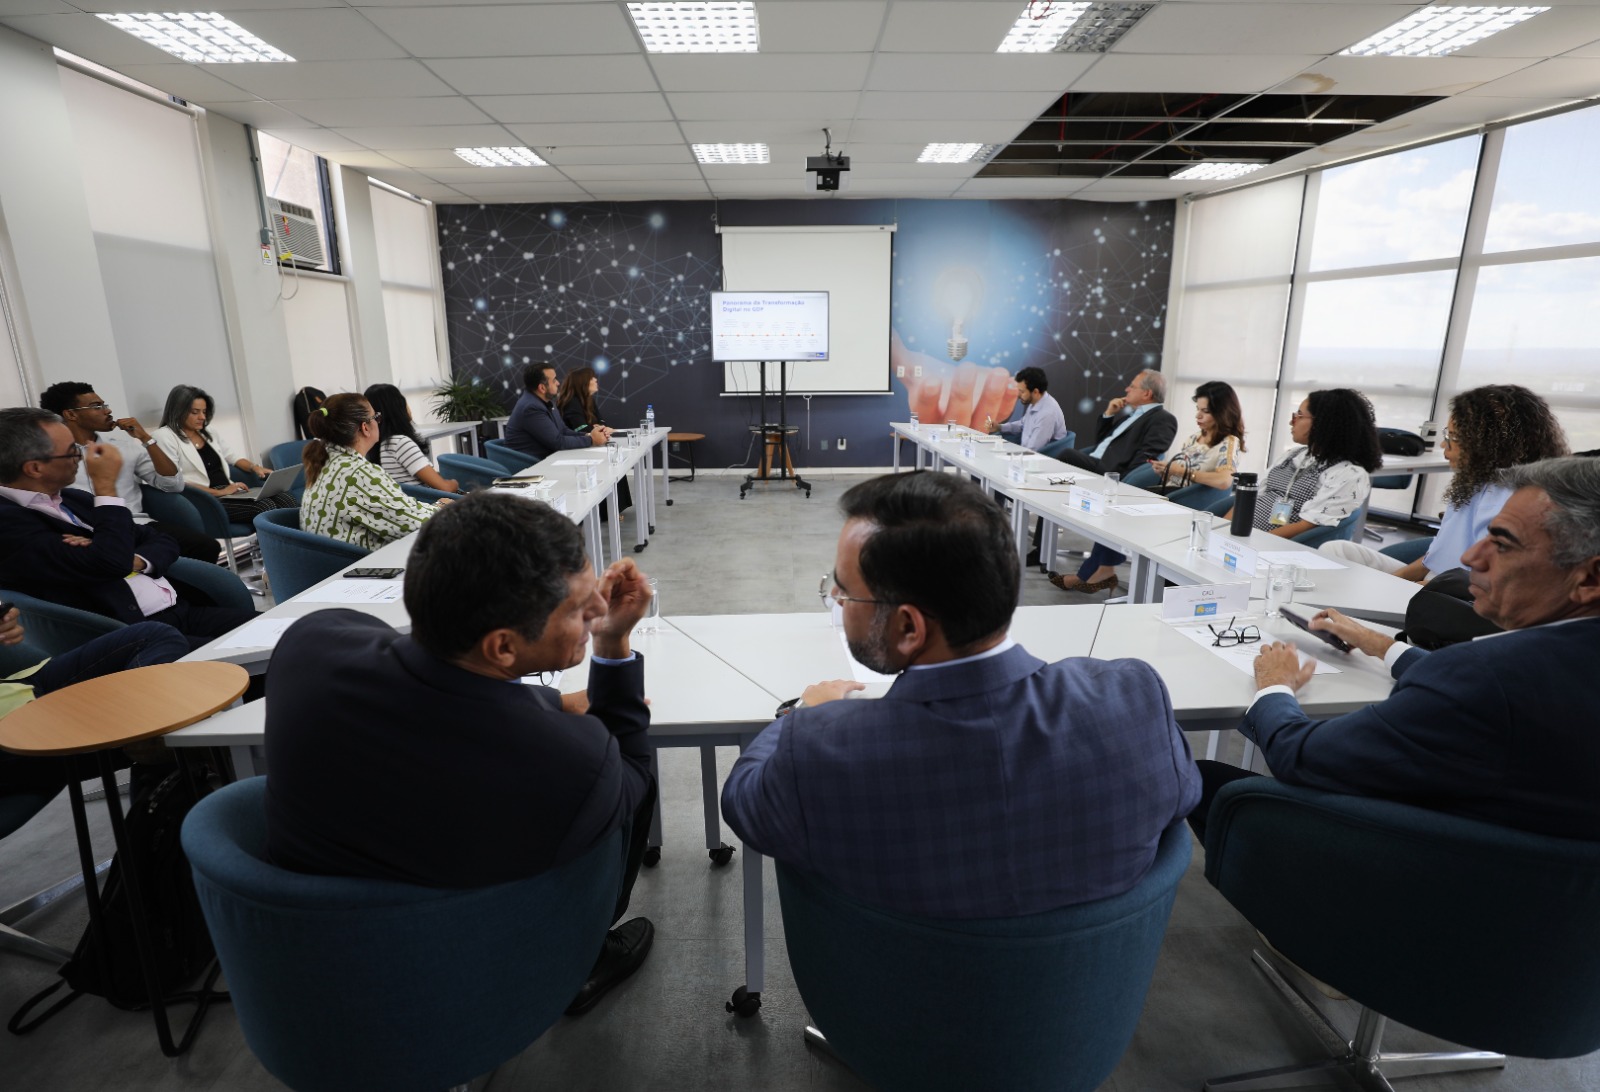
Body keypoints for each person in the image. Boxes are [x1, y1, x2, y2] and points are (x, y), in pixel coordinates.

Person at [720, 471, 1200, 918]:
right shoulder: (1135, 701)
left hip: (881, 996)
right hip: (1092, 997)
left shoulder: (820, 749)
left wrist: (799, 715)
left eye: (844, 593)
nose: (839, 603)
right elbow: (1182, 800)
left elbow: (744, 802)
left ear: (908, 627)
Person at [264, 491, 658, 1015]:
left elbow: (416, 672)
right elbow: (630, 769)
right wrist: (611, 648)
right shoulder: (569, 765)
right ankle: (587, 956)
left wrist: (550, 699)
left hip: (312, 973)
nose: (600, 609)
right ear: (503, 647)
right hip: (466, 972)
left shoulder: (309, 643)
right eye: (578, 608)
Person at [1191, 456, 1600, 843]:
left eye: (1503, 543)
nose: (1470, 556)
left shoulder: (1478, 676)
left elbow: (1302, 756)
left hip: (1407, 862)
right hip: (1554, 894)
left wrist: (1274, 688)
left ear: (1589, 578)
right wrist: (1385, 647)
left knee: (1201, 776)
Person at [0, 408, 255, 650]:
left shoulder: (73, 499)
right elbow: (109, 561)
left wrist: (134, 559)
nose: (81, 458)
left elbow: (158, 538)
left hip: (181, 611)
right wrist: (105, 487)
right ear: (34, 468)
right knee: (269, 659)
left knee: (286, 632)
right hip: (134, 637)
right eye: (71, 453)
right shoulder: (9, 524)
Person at [1320, 384, 1567, 580]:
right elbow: (1435, 556)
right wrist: (1395, 581)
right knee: (1338, 551)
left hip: (1457, 597)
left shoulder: (1511, 500)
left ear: (1490, 444)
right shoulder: (1475, 482)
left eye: (1453, 437)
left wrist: (1416, 588)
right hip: (1432, 582)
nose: (1443, 445)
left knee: (1340, 567)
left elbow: (1480, 579)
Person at [1051, 380, 1246, 595]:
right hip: (1169, 494)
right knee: (1115, 509)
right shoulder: (1194, 437)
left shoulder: (1229, 442)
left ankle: (1096, 573)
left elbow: (1224, 481)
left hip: (1186, 503)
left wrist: (1181, 472)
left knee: (1118, 511)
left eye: (1206, 411)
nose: (1198, 416)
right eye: (1197, 410)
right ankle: (1101, 570)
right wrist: (1167, 470)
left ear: (1222, 412)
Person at [0, 608, 188, 797]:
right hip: (9, 738)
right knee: (169, 721)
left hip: (17, 689)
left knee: (153, 636)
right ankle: (153, 736)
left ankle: (148, 730)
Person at [39, 381, 221, 563]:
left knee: (205, 546)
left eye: (105, 405)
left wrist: (146, 438)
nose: (107, 411)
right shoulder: (53, 458)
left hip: (135, 525)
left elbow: (173, 485)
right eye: (97, 407)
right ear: (71, 414)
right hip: (84, 529)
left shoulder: (125, 449)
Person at [1227, 388, 1382, 539]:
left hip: (1272, 549)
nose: (1291, 421)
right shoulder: (1293, 455)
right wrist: (1220, 529)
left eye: (1299, 416)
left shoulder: (1348, 474)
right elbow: (1250, 499)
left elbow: (1306, 526)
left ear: (1323, 423)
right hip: (1240, 537)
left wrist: (1251, 543)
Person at [300, 393, 446, 551]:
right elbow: (417, 524)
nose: (378, 422)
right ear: (365, 427)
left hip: (334, 565)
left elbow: (400, 511)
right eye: (375, 417)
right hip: (366, 568)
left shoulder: (324, 463)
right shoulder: (358, 474)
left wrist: (433, 507)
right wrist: (440, 507)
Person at [153, 384, 298, 524]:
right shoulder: (164, 437)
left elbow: (233, 458)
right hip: (204, 499)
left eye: (204, 411)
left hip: (229, 494)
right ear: (178, 411)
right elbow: (175, 482)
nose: (202, 417)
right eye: (195, 412)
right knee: (265, 507)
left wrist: (255, 467)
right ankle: (277, 547)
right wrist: (219, 492)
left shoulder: (209, 433)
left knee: (286, 498)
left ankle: (302, 544)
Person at [1053, 369, 1178, 478]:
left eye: (1132, 387)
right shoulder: (1134, 415)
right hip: (1096, 461)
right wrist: (1109, 414)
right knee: (1066, 457)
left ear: (1147, 393)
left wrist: (1121, 481)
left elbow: (1145, 459)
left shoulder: (1163, 419)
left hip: (1112, 471)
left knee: (1067, 454)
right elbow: (1102, 442)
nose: (1127, 389)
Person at [556, 368, 631, 514]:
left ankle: (614, 509)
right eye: (593, 378)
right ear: (583, 383)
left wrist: (600, 427)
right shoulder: (572, 402)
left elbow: (600, 421)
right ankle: (608, 511)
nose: (596, 381)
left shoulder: (588, 399)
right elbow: (580, 428)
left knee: (616, 464)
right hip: (578, 448)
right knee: (611, 463)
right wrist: (598, 428)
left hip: (590, 444)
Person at [362, 383, 460, 494]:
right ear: (396, 407)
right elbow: (445, 488)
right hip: (432, 505)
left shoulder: (382, 444)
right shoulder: (400, 443)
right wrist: (455, 482)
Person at [505, 363, 611, 460]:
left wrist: (589, 435)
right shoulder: (531, 408)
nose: (558, 383)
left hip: (548, 458)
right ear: (542, 388)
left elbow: (563, 430)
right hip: (531, 464)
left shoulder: (546, 402)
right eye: (554, 380)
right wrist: (592, 440)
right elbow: (557, 442)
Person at [986, 367, 1067, 452]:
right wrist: (999, 427)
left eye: (1022, 391)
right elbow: (1022, 425)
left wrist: (1007, 453)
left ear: (1035, 392)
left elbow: (1032, 450)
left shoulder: (1047, 414)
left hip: (1036, 459)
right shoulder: (1036, 401)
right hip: (1024, 452)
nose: (1018, 395)